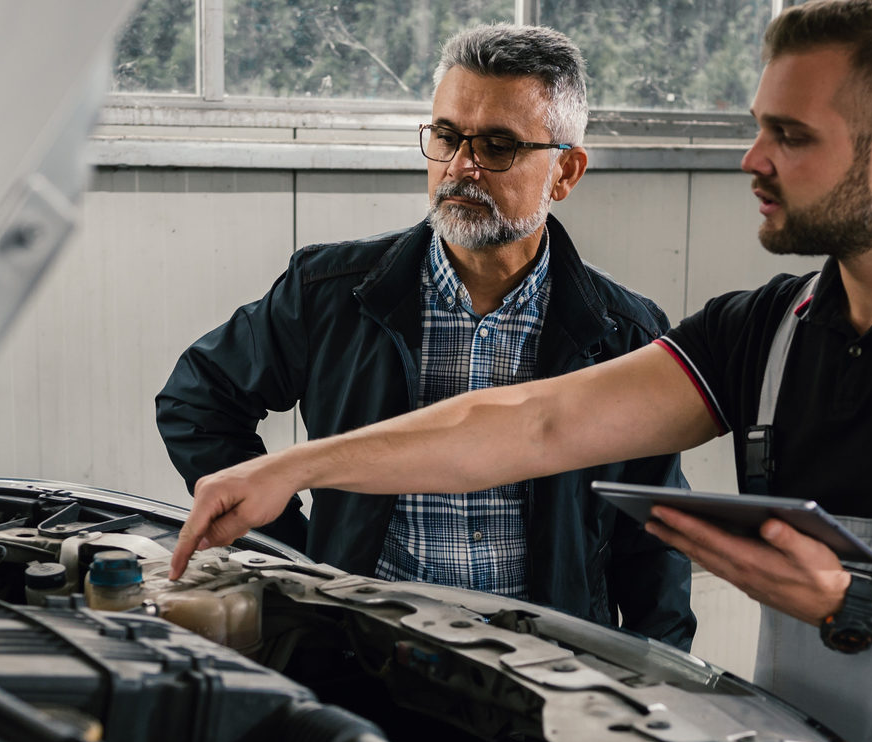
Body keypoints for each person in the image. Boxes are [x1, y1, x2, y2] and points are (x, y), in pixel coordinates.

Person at [167, 2, 872, 742]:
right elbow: (532, 421)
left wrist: (854, 600)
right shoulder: (761, 329)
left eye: (788, 135)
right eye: (756, 128)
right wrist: (290, 465)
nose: (750, 161)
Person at [155, 24, 695, 649]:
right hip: (362, 651)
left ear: (565, 171)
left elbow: (655, 540)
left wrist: (656, 686)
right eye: (445, 136)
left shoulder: (627, 335)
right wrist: (298, 558)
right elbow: (197, 402)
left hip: (547, 669)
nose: (461, 166)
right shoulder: (330, 292)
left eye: (497, 146)